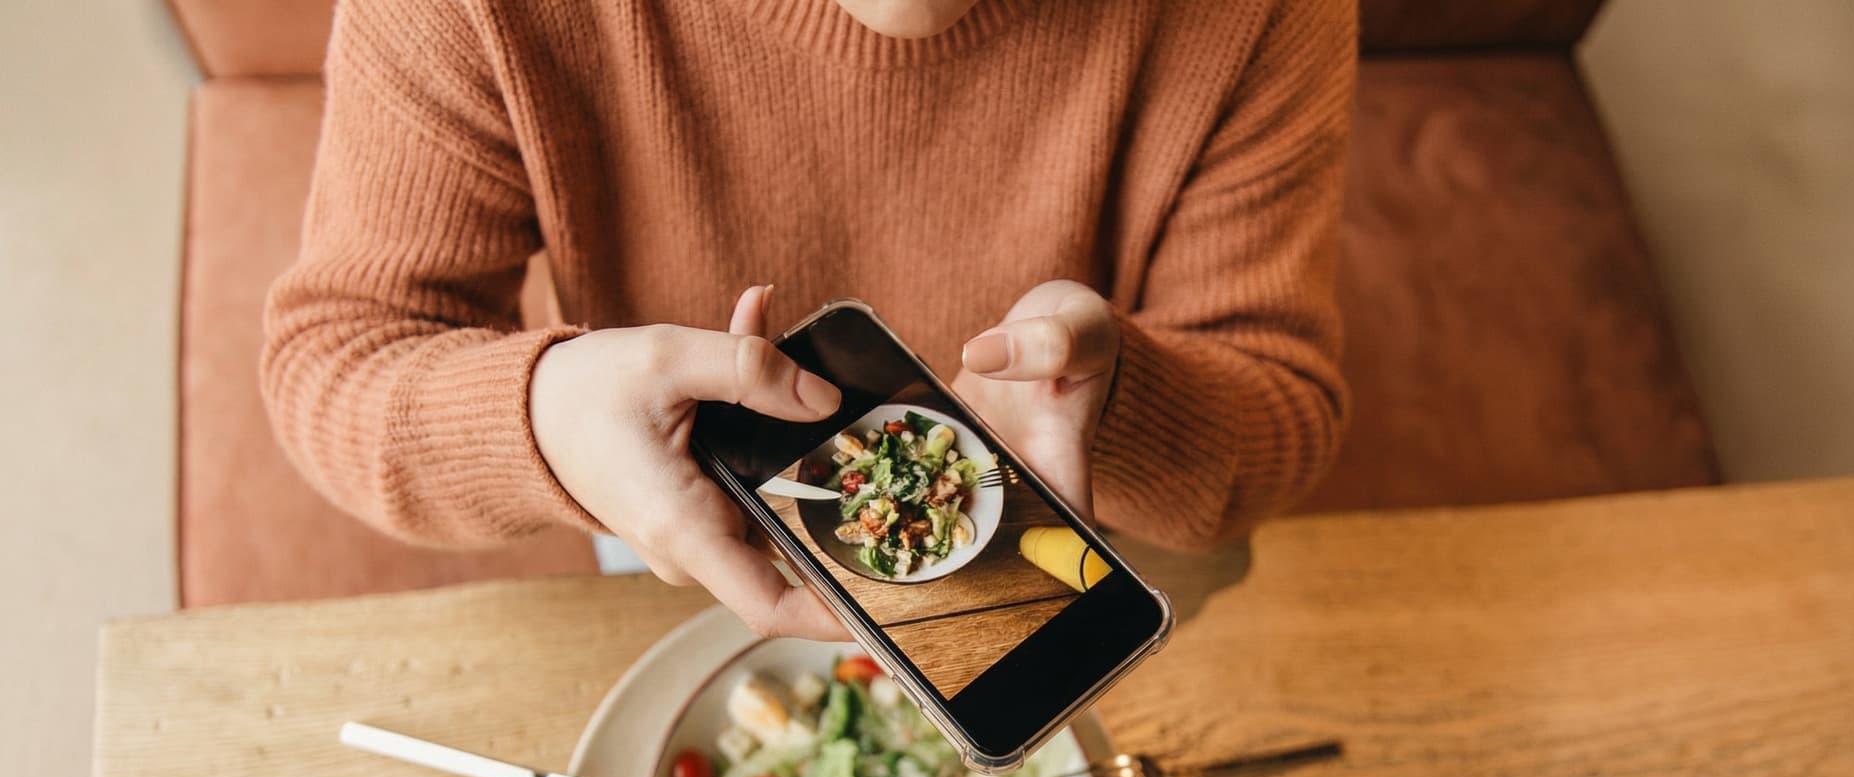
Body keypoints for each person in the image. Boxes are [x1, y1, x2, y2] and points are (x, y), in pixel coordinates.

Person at [263, 0, 1356, 639]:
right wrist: (549, 419)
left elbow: (1277, 407)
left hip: (1075, 543)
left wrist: (1116, 406)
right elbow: (340, 359)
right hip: (669, 515)